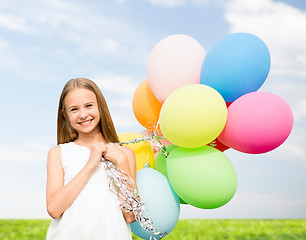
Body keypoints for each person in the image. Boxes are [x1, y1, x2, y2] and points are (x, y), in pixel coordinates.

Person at [46, 78, 136, 239]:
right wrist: (90, 164)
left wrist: (122, 162)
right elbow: (54, 209)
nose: (83, 114)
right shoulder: (58, 153)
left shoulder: (124, 154)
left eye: (88, 106)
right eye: (74, 109)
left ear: (100, 106)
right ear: (65, 114)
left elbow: (130, 216)